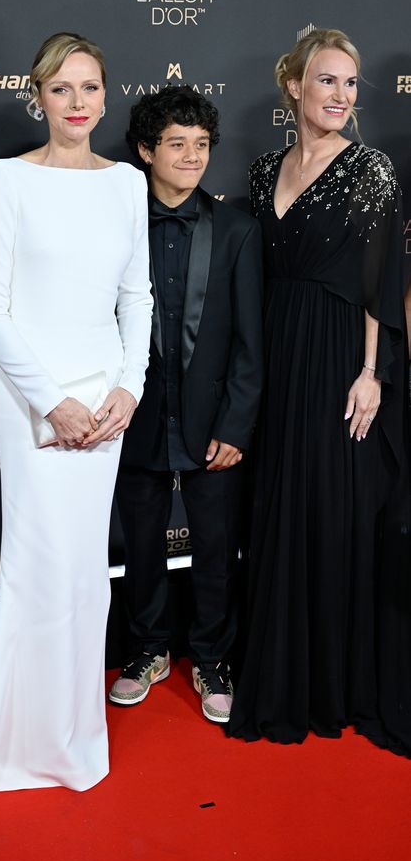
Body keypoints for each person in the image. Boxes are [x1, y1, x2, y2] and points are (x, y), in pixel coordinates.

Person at [0, 32, 153, 818]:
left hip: (108, 402)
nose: (79, 103)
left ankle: (74, 737)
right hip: (31, 404)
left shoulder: (125, 184)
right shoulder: (4, 180)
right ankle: (16, 744)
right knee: (36, 565)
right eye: (62, 90)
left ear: (105, 95)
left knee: (85, 575)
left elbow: (138, 298)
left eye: (91, 88)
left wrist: (130, 387)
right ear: (38, 96)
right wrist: (53, 401)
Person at [227, 28, 409, 748]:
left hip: (339, 358)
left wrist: (372, 374)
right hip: (276, 350)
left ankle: (333, 681)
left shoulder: (373, 170)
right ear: (295, 86)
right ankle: (280, 670)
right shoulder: (263, 168)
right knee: (281, 502)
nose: (340, 96)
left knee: (335, 508)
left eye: (350, 84)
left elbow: (382, 283)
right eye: (326, 81)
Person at [107, 86, 263, 723]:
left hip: (212, 420)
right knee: (140, 542)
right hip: (136, 413)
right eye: (177, 145)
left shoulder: (237, 229)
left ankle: (212, 657)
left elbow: (252, 341)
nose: (192, 157)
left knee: (215, 545)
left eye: (201, 146)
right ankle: (146, 650)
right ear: (146, 150)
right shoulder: (113, 224)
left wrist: (237, 423)